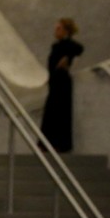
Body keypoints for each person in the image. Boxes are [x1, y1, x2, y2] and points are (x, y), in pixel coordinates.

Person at [39, 18, 84, 154]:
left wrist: (67, 58)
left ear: (66, 30)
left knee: (60, 113)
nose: (56, 30)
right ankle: (46, 144)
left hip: (62, 82)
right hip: (54, 82)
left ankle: (58, 144)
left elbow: (79, 48)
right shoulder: (56, 45)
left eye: (58, 28)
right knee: (51, 112)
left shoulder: (68, 45)